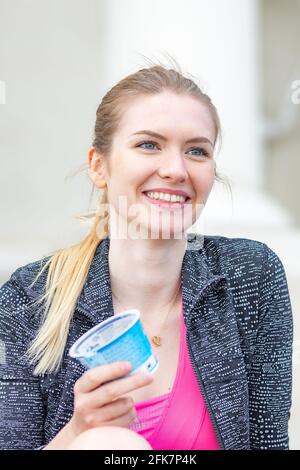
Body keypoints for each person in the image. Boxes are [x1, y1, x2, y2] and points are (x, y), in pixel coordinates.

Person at [0, 63, 293, 450]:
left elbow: (269, 442)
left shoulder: (249, 276)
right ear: (98, 166)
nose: (175, 169)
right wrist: (77, 432)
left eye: (196, 151)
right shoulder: (31, 298)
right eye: (148, 145)